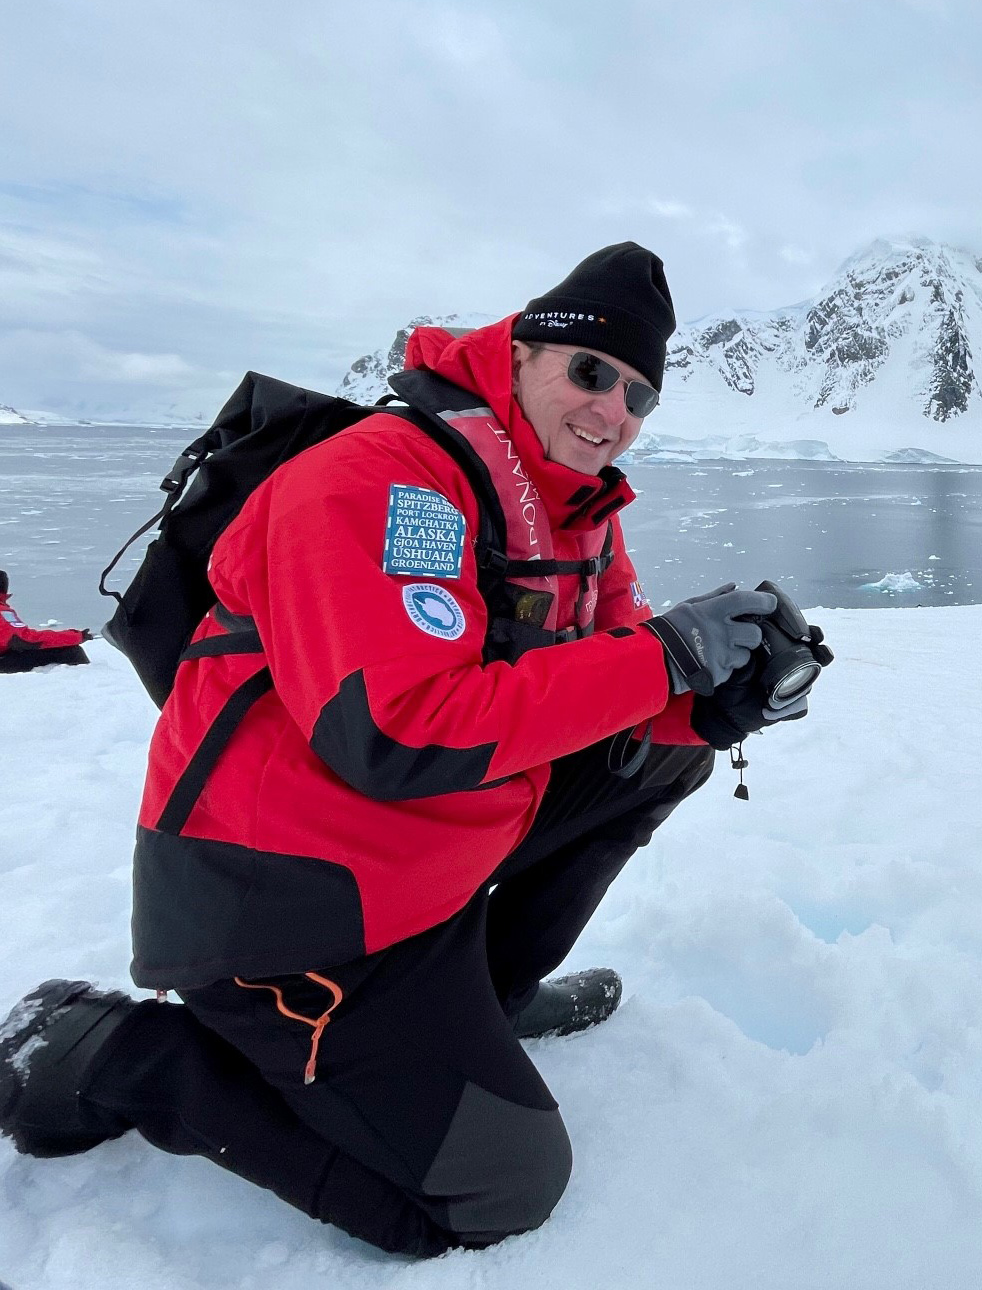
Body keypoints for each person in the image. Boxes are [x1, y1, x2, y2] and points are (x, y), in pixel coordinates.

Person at [0, 243, 814, 1256]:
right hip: (283, 903)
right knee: (495, 1189)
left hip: (408, 861)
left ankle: (485, 991)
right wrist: (666, 657)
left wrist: (714, 705)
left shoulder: (579, 517)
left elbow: (609, 692)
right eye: (592, 372)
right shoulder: (386, 479)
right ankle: (117, 1056)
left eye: (640, 394)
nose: (614, 411)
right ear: (519, 354)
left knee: (653, 757)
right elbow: (396, 732)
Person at [0, 570, 92, 672]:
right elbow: (24, 640)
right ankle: (85, 682)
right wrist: (76, 636)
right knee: (72, 651)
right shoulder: (2, 611)